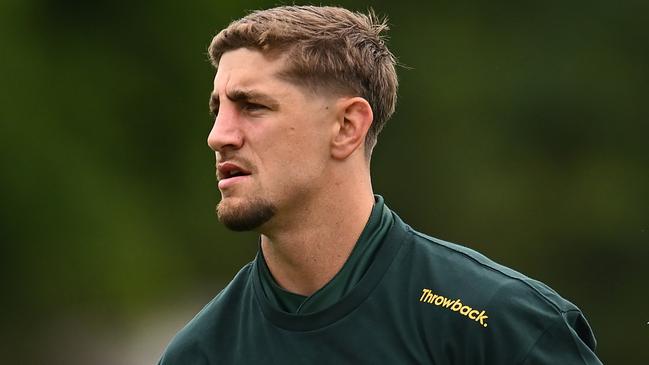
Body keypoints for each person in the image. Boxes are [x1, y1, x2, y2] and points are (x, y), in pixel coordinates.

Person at [159, 5, 602, 364]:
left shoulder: (499, 327)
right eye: (218, 109)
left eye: (252, 106)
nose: (219, 135)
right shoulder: (200, 353)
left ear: (347, 126)